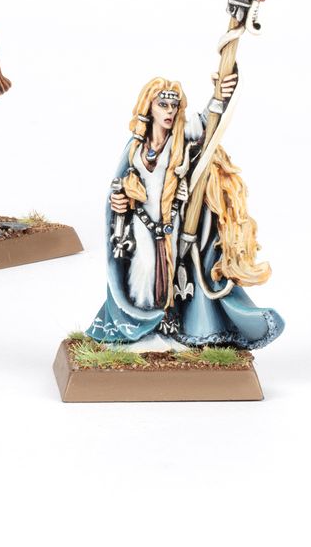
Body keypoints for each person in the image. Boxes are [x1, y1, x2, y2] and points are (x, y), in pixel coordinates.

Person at [86, 75, 284, 351]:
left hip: (172, 224)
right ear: (149, 107)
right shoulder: (136, 146)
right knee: (143, 272)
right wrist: (119, 201)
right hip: (141, 223)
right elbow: (119, 184)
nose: (169, 111)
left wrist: (221, 92)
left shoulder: (181, 135)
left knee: (170, 277)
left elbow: (210, 119)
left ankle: (165, 327)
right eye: (162, 105)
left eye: (173, 106)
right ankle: (140, 330)